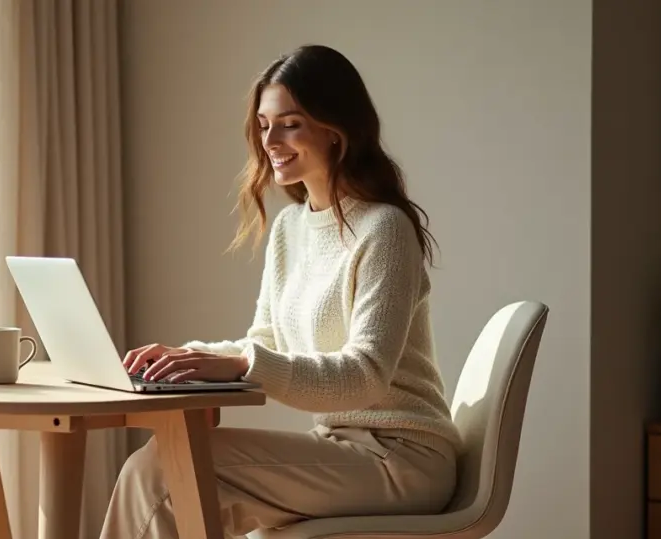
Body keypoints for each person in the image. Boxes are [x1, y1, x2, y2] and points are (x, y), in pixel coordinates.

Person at [99, 44, 463, 539]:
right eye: (265, 125)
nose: (271, 139)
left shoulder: (385, 229)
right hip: (341, 448)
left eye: (290, 123)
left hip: (401, 458)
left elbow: (367, 376)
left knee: (164, 469)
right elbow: (266, 341)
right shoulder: (291, 228)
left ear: (337, 131)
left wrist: (241, 364)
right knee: (171, 477)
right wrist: (189, 357)